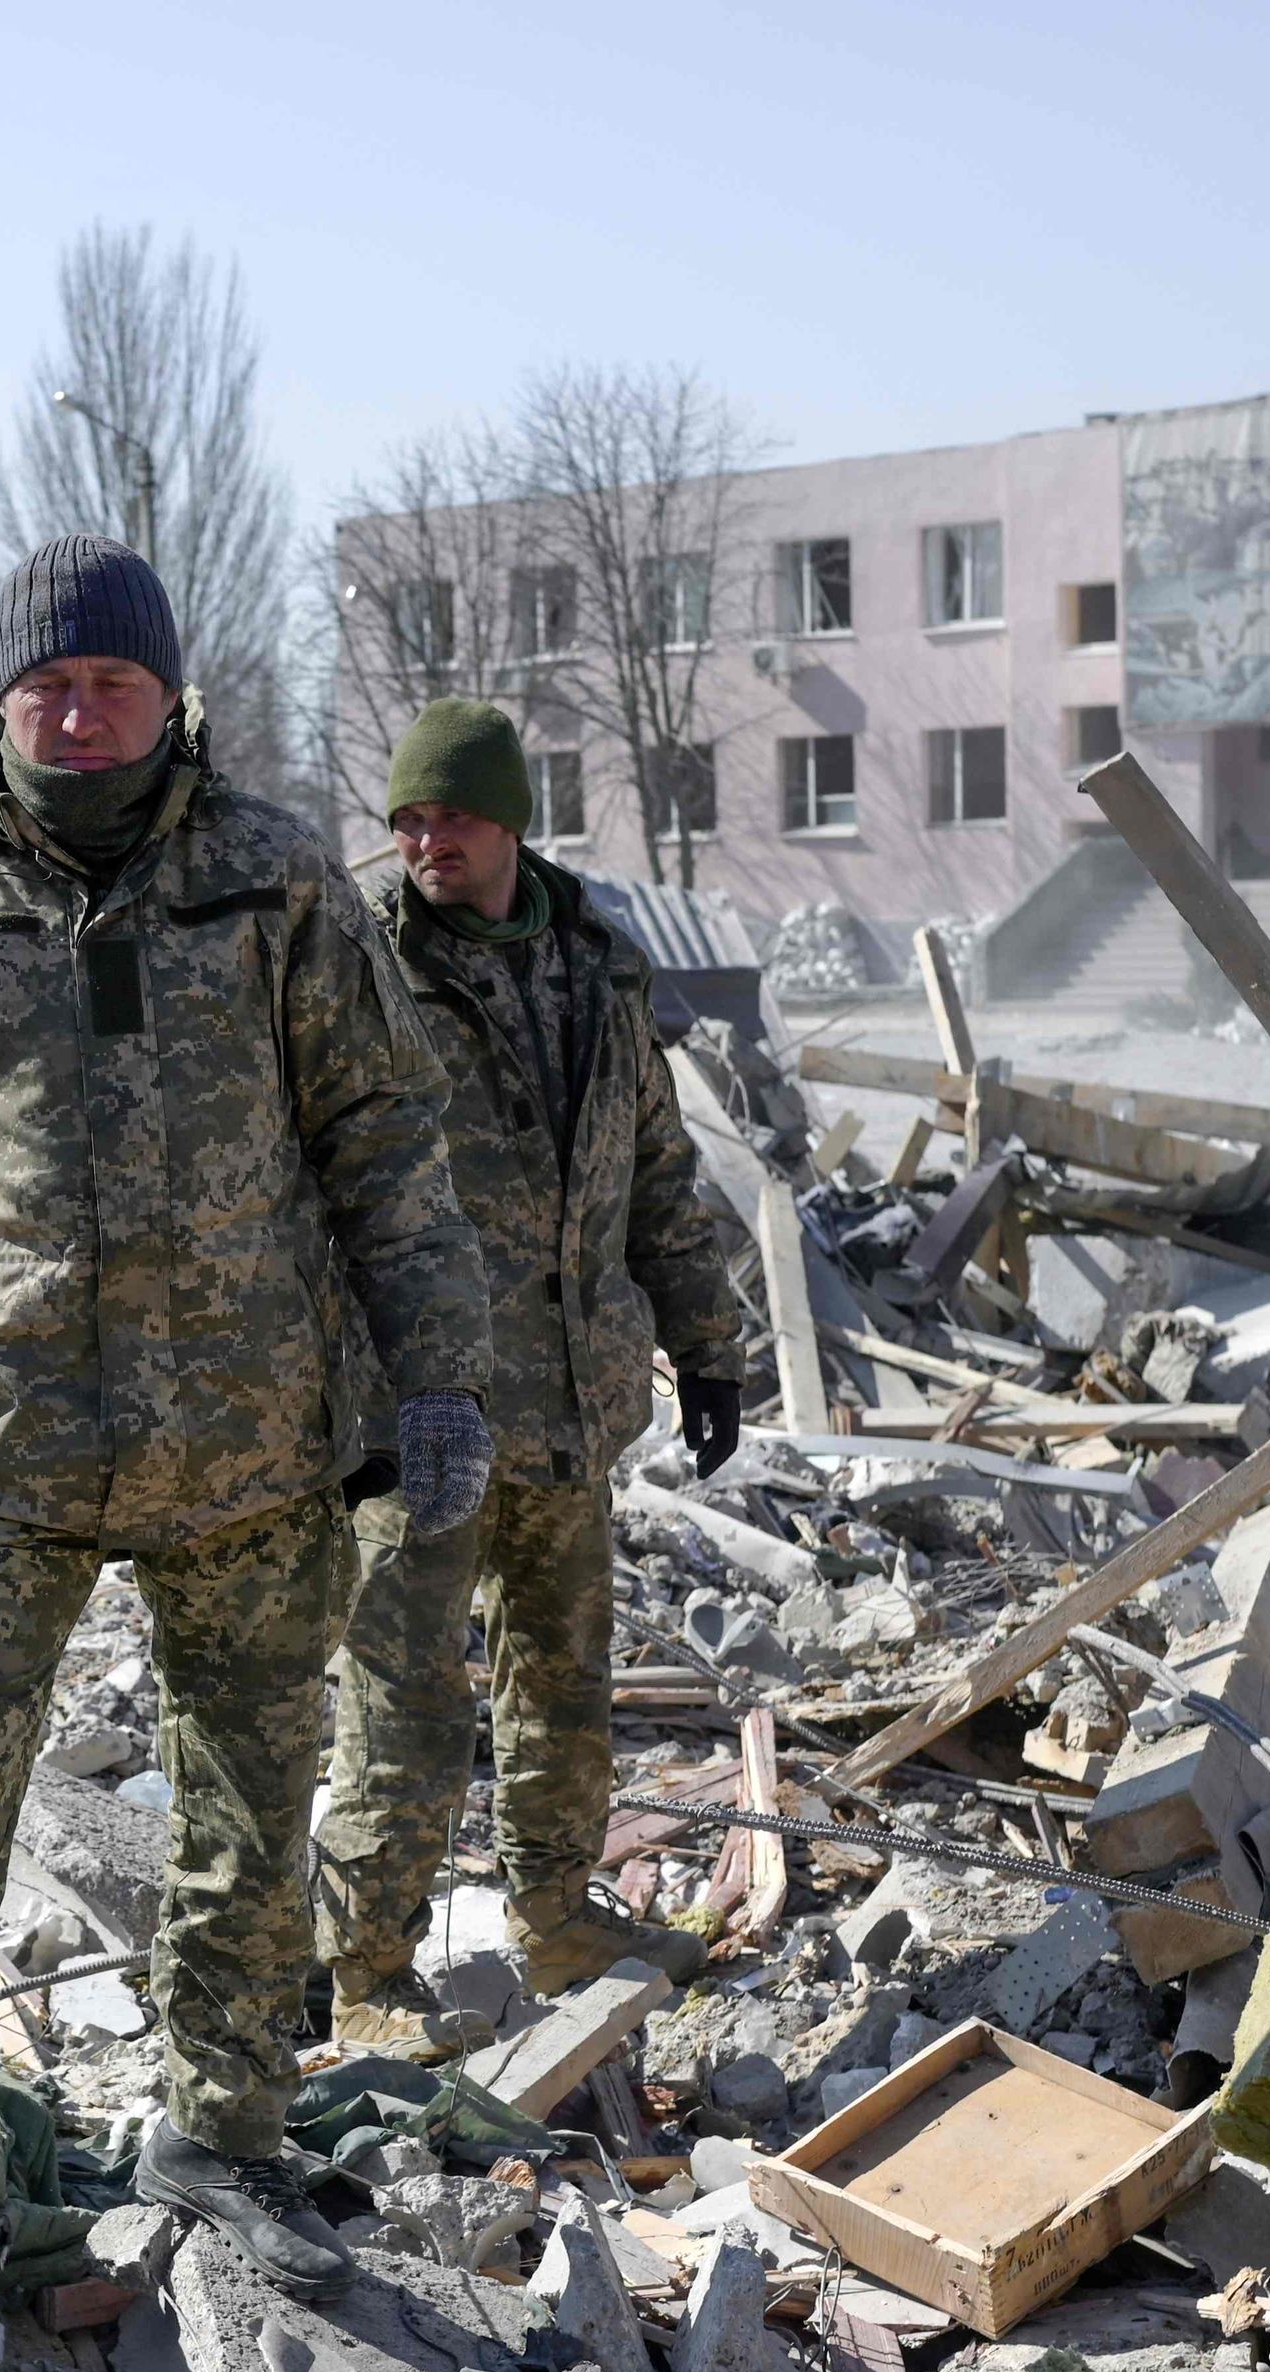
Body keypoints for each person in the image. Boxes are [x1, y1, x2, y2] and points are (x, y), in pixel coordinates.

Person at [0, 537, 492, 2347]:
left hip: (249, 1449)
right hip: (5, 1450)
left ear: (172, 699)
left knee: (252, 1805)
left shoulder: (277, 883)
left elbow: (385, 1142)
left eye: (114, 685)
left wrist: (436, 1378)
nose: (81, 715)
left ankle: (220, 2135)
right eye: (48, 686)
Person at [314, 700, 749, 2056]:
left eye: (450, 815)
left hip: (566, 1395)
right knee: (404, 1690)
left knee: (562, 1676)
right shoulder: (357, 969)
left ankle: (559, 1916)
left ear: (510, 819)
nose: (425, 840)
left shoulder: (598, 970)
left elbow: (660, 1175)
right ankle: (368, 1973)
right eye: (407, 820)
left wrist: (710, 1338)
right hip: (413, 1408)